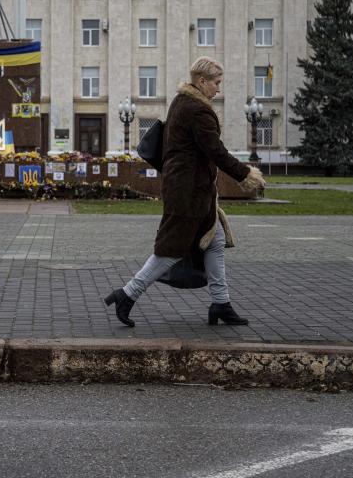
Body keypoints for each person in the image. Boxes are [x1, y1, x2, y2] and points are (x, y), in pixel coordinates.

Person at [105, 56, 266, 327]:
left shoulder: (182, 102)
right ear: (201, 82)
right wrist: (246, 175)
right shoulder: (198, 110)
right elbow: (216, 151)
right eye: (216, 83)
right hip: (188, 194)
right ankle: (127, 294)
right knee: (170, 250)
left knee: (214, 242)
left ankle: (221, 304)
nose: (219, 89)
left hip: (190, 190)